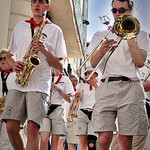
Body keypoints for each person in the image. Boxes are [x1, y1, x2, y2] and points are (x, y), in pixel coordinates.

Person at [1, 0, 67, 149]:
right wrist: (14, 65)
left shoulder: (55, 30)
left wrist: (45, 51)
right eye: (34, 1)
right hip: (19, 82)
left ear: (47, 7)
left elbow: (60, 66)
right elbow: (10, 56)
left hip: (39, 85)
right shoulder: (20, 26)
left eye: (41, 1)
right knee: (11, 128)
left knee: (32, 129)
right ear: (31, 5)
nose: (37, 4)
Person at [87, 0, 149, 150]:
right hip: (107, 85)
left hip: (131, 86)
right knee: (103, 139)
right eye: (114, 11)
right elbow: (93, 64)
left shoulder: (141, 34)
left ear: (131, 11)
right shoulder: (100, 34)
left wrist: (129, 36)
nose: (117, 14)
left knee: (125, 140)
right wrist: (101, 50)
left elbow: (140, 62)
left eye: (122, 10)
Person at [40, 69, 74, 150]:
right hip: (45, 108)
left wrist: (59, 90)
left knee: (55, 141)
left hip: (57, 109)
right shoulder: (45, 76)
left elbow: (69, 99)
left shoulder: (65, 79)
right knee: (44, 139)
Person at [75, 66, 99, 150]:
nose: (90, 74)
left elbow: (102, 96)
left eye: (92, 72)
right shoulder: (81, 85)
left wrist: (95, 85)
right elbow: (77, 101)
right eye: (88, 73)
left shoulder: (100, 85)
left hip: (93, 113)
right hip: (82, 113)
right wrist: (76, 97)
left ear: (96, 74)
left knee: (91, 143)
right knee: (83, 144)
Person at [0, 48, 13, 150]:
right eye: (0, 59)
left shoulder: (16, 75)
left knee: (5, 139)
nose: (3, 61)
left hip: (10, 111)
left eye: (5, 58)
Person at [65, 75, 79, 150]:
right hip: (63, 118)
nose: (73, 82)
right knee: (60, 141)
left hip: (71, 120)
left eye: (75, 81)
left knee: (71, 142)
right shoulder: (65, 90)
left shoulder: (77, 92)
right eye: (71, 80)